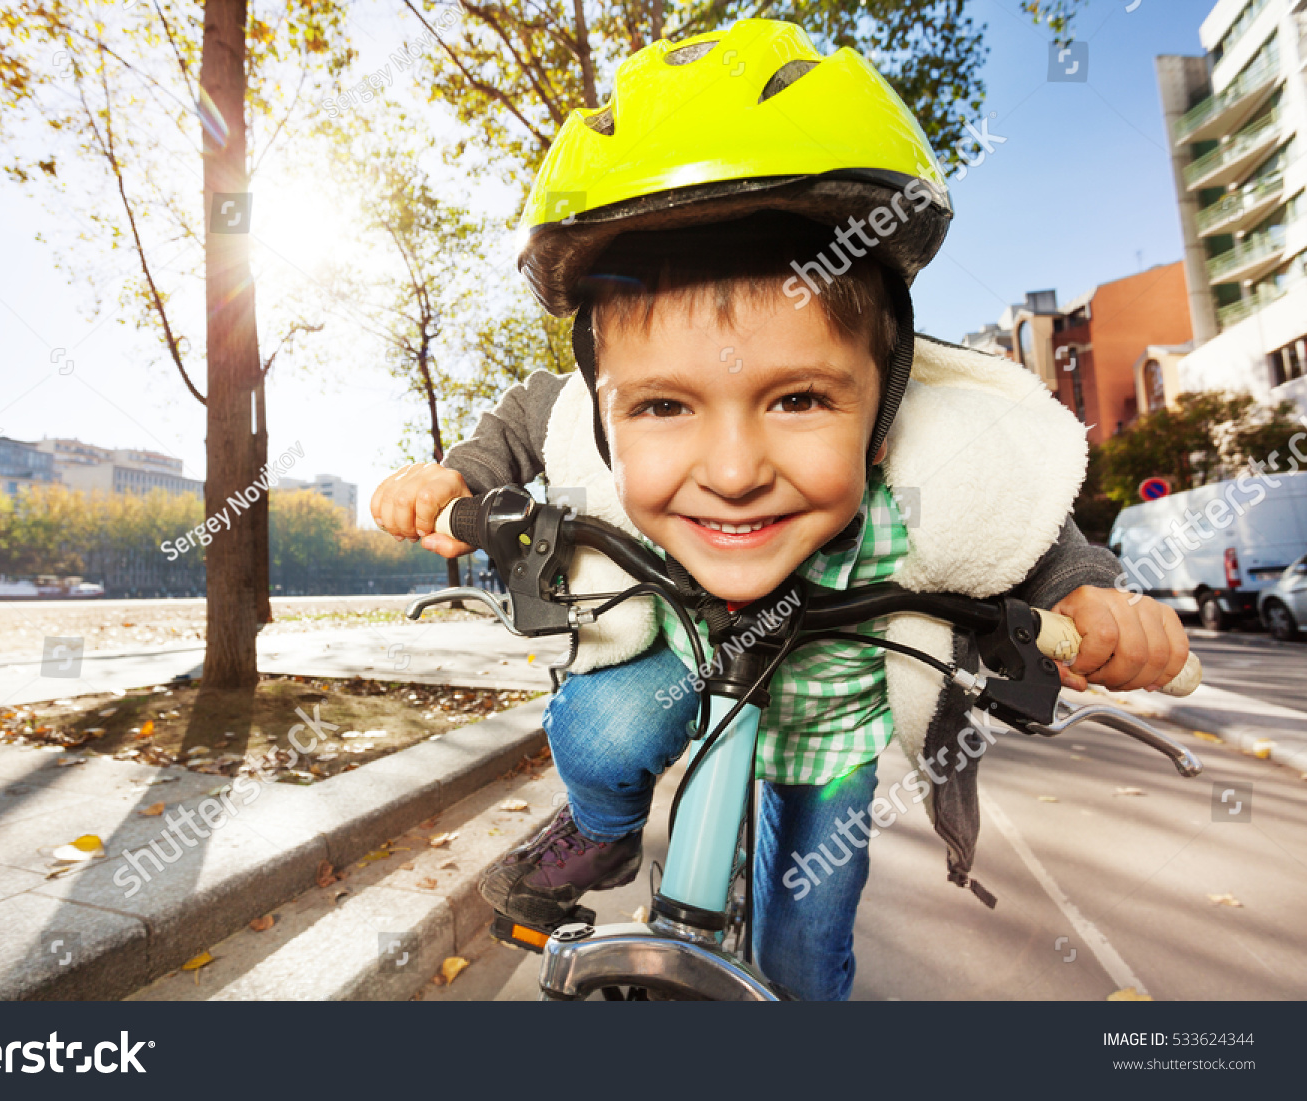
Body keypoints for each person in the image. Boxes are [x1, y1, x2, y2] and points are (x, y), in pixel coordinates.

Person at [369, 18, 1190, 1000]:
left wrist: (1094, 600)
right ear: (607, 418)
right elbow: (532, 413)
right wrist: (456, 477)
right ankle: (596, 834)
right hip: (677, 650)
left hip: (830, 737)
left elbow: (1031, 529)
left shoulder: (943, 469)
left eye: (798, 399)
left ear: (886, 409)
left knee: (806, 959)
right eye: (665, 406)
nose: (732, 471)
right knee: (604, 735)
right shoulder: (577, 422)